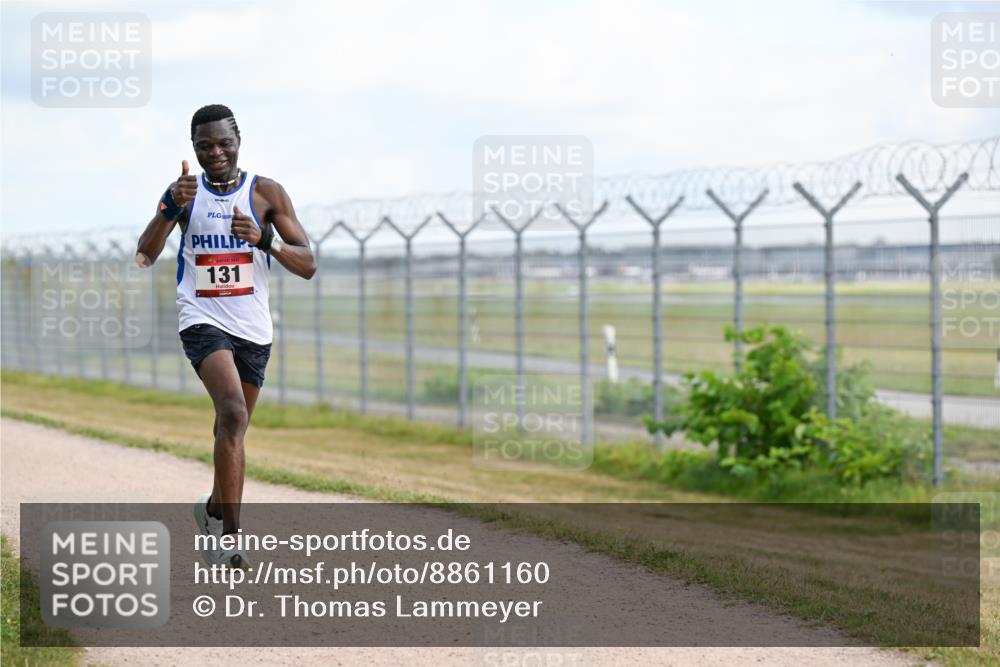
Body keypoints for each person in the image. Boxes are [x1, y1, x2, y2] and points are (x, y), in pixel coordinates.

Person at [136, 104, 315, 568]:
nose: (215, 152)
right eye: (204, 145)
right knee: (233, 413)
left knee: (230, 427)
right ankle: (229, 539)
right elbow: (144, 255)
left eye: (223, 143)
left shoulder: (267, 193)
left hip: (253, 328)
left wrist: (263, 240)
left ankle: (214, 507)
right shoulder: (184, 193)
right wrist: (169, 206)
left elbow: (308, 264)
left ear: (239, 141)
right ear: (192, 148)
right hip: (201, 318)